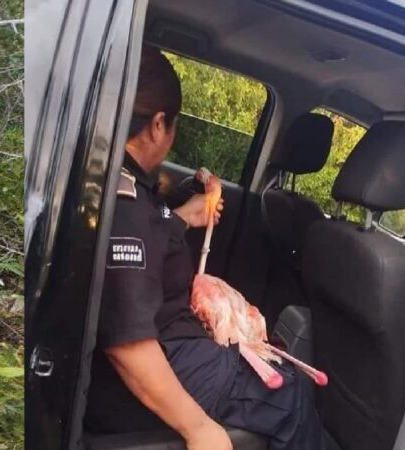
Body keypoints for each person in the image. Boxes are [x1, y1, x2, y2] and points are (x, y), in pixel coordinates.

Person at [83, 45, 323, 450]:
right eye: (172, 126)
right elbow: (128, 344)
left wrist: (182, 216)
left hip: (170, 340)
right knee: (288, 395)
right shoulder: (124, 206)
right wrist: (198, 428)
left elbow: (143, 244)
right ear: (158, 124)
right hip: (151, 363)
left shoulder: (117, 183)